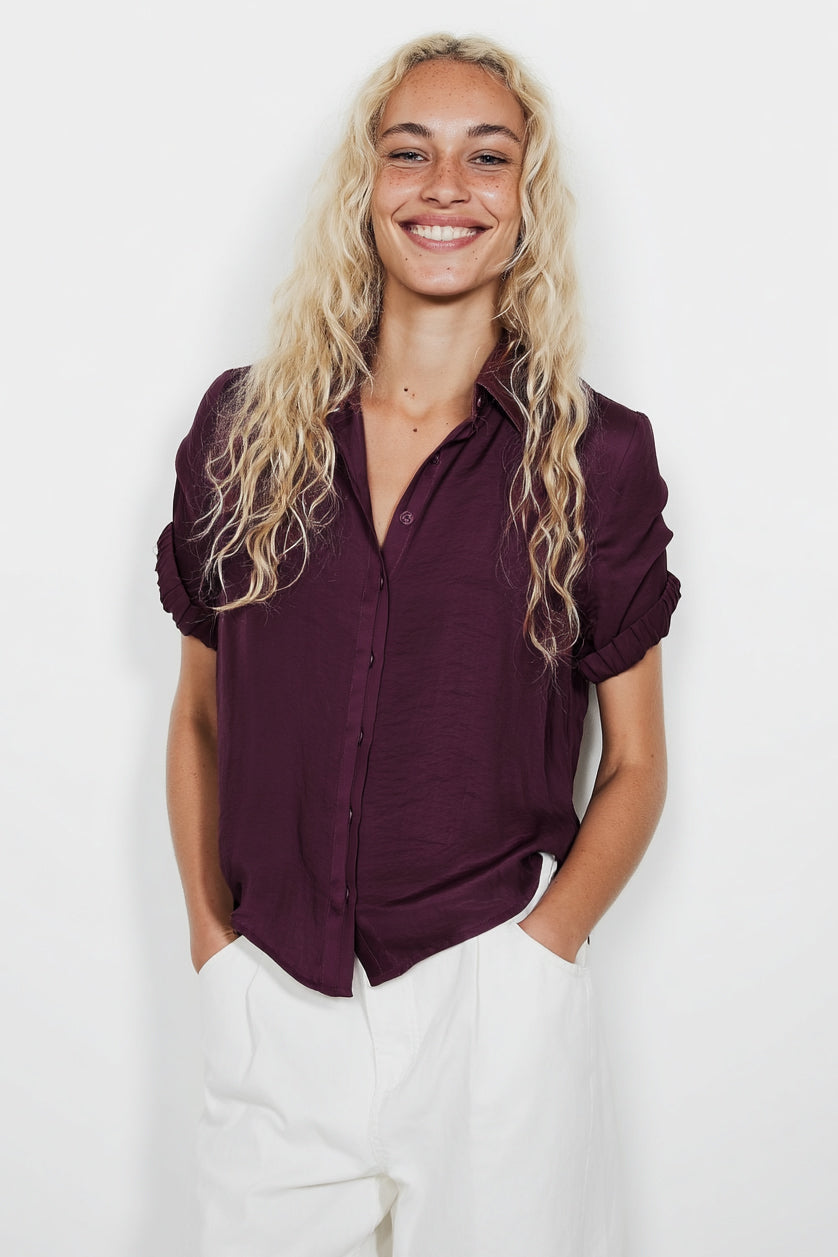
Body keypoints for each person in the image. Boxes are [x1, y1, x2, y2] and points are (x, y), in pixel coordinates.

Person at [156, 31, 680, 1257]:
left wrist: (537, 959)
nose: (446, 186)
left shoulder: (596, 457)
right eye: (412, 152)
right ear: (367, 189)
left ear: (526, 204)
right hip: (272, 1005)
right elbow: (197, 713)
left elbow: (639, 761)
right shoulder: (243, 430)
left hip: (490, 1010)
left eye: (486, 156)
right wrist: (211, 946)